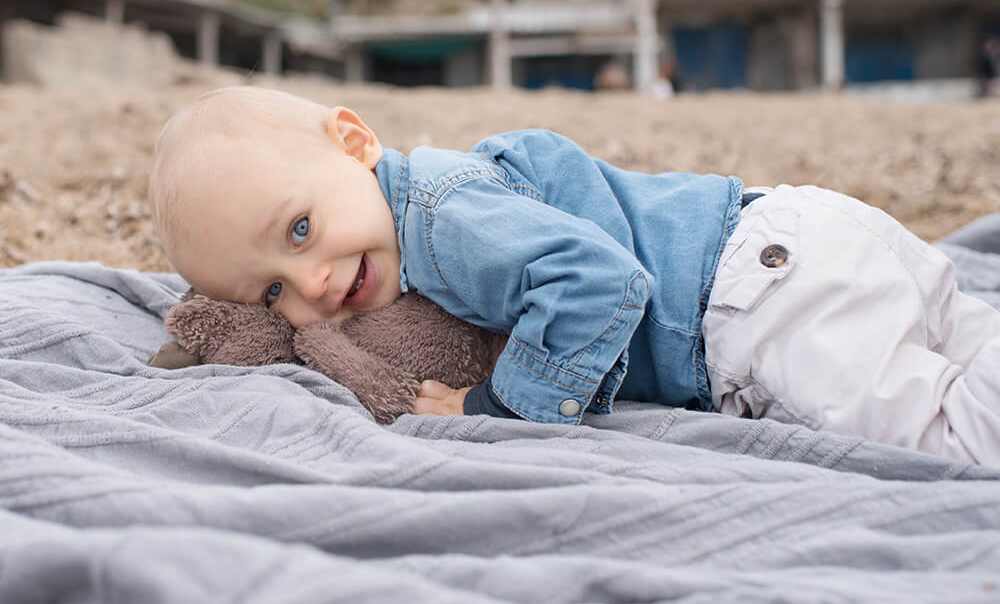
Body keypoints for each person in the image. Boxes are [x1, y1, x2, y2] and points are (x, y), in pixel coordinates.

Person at [149, 86, 1000, 466]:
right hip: (797, 237)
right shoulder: (419, 211)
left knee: (955, 440)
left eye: (300, 230)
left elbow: (602, 280)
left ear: (357, 142)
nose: (312, 287)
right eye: (270, 291)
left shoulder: (444, 220)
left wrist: (503, 408)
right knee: (965, 343)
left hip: (753, 296)